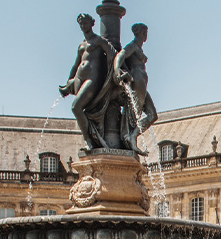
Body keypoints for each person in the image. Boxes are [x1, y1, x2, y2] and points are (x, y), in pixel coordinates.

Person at [60, 13, 117, 150]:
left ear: (92, 24)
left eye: (85, 23)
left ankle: (89, 141)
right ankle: (90, 138)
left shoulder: (98, 41)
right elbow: (76, 65)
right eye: (81, 24)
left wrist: (117, 72)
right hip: (80, 78)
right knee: (81, 109)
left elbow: (113, 54)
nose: (83, 26)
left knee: (76, 107)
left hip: (93, 78)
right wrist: (69, 81)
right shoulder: (82, 45)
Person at [113, 23, 158, 155]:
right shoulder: (133, 46)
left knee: (153, 115)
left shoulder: (138, 48)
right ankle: (130, 138)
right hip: (137, 80)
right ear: (142, 33)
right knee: (134, 114)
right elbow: (120, 55)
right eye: (146, 32)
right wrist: (117, 70)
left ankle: (133, 135)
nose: (146, 35)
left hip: (142, 82)